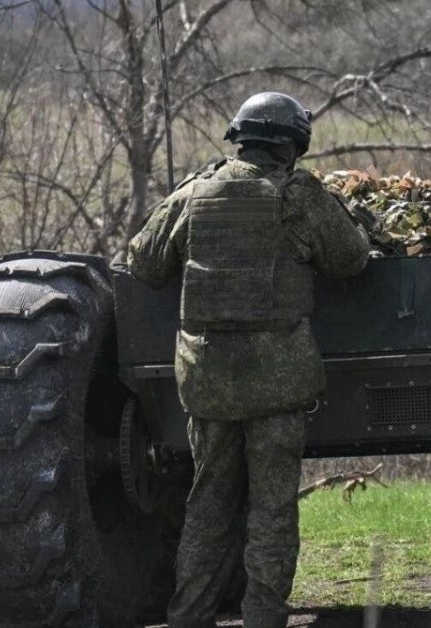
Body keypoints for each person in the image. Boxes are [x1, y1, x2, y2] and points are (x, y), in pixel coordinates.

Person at [127, 92, 370, 628]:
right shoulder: (300, 195)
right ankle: (263, 616)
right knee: (271, 507)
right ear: (293, 143)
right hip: (278, 384)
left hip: (208, 380)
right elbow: (351, 258)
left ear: (239, 137)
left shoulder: (197, 190)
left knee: (208, 500)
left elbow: (143, 262)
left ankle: (189, 614)